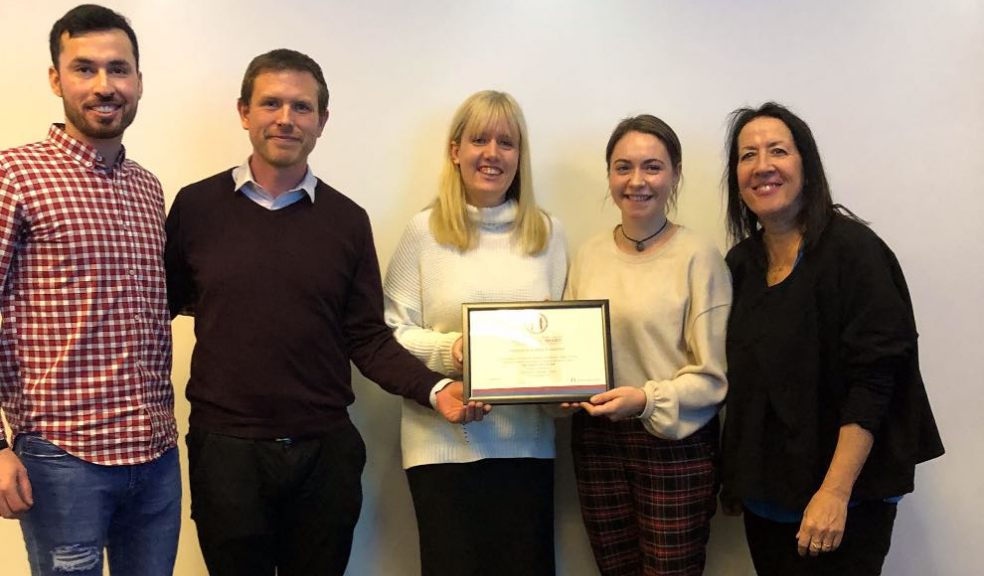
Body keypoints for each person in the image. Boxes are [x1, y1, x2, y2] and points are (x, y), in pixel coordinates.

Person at [165, 49, 481, 576]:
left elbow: (367, 337)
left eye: (302, 107)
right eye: (271, 103)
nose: (285, 118)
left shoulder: (347, 221)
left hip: (324, 453)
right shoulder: (196, 207)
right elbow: (160, 308)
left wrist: (433, 388)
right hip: (227, 451)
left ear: (322, 122)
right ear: (244, 112)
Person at [720, 101, 945, 575]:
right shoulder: (740, 266)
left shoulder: (855, 253)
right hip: (769, 499)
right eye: (747, 155)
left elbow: (875, 380)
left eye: (777, 151)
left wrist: (834, 492)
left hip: (847, 499)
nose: (763, 166)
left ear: (807, 164)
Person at [0, 5, 180, 576]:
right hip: (62, 459)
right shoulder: (14, 177)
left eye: (119, 69)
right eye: (84, 69)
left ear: (139, 81)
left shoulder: (148, 188)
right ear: (56, 78)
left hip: (156, 456)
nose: (105, 86)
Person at [382, 90, 567, 575]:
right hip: (441, 447)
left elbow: (563, 341)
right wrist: (452, 349)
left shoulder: (548, 234)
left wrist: (567, 386)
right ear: (454, 150)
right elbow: (388, 335)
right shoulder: (423, 232)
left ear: (520, 155)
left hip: (527, 447)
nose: (492, 153)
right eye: (479, 139)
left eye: (506, 142)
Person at [564, 114, 730, 575]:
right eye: (623, 167)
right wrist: (557, 391)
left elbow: (714, 377)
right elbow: (568, 350)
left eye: (652, 167)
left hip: (676, 443)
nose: (637, 181)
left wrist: (645, 400)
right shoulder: (589, 254)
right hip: (597, 439)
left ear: (675, 173)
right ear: (609, 175)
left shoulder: (700, 256)